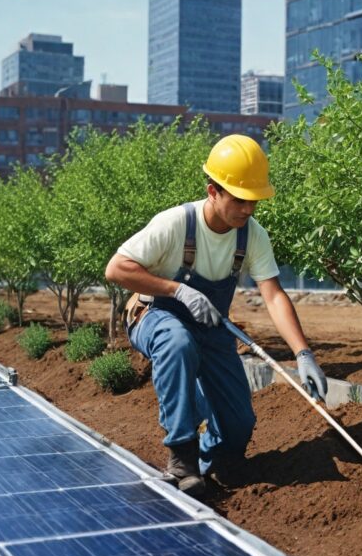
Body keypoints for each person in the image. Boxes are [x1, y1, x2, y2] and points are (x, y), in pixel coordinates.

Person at [105, 134, 328, 498]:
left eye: (254, 201)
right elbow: (116, 269)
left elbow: (273, 295)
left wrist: (304, 354)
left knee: (239, 426)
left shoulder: (252, 236)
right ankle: (182, 457)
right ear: (213, 191)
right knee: (178, 344)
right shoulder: (176, 223)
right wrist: (178, 289)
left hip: (209, 329)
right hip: (154, 315)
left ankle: (209, 463)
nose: (248, 210)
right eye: (239, 200)